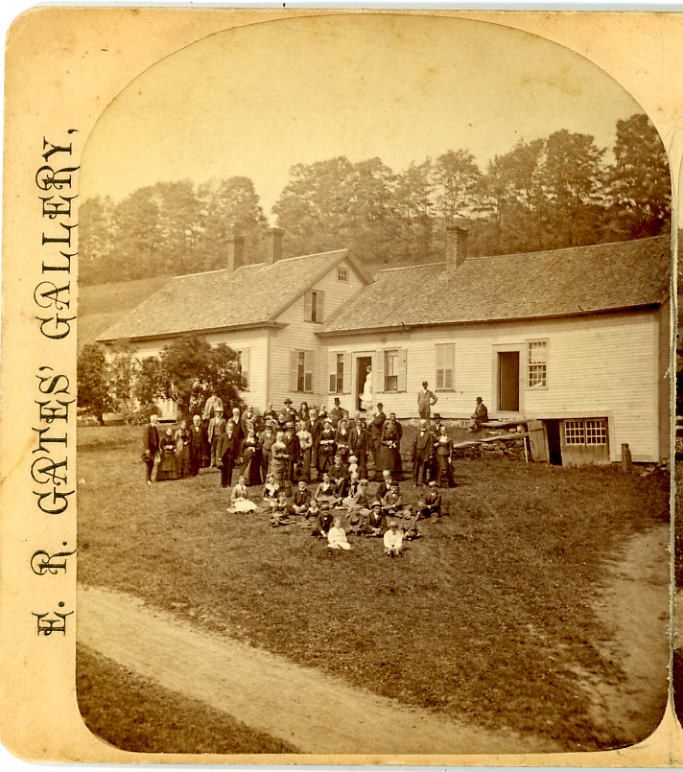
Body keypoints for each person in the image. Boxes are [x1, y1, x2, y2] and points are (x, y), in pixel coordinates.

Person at [217, 420, 239, 488]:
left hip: (231, 455)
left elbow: (236, 447)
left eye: (231, 427)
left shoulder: (234, 436)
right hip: (224, 455)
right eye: (229, 427)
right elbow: (219, 446)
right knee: (224, 470)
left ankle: (229, 484)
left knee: (230, 470)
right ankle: (223, 484)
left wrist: (236, 457)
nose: (230, 428)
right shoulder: (223, 435)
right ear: (226, 428)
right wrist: (219, 456)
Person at [412, 419, 434, 486]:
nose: (422, 425)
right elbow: (414, 444)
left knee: (424, 467)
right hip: (417, 452)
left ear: (426, 425)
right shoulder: (416, 433)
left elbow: (431, 444)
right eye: (421, 424)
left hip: (425, 452)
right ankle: (414, 482)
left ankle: (423, 482)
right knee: (416, 468)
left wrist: (430, 454)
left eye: (424, 424)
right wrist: (413, 453)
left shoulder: (429, 434)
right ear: (419, 425)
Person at [141, 413, 160, 484]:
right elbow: (145, 439)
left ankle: (149, 479)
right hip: (148, 450)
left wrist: (157, 449)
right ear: (152, 420)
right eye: (155, 420)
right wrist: (147, 449)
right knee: (149, 464)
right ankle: (147, 479)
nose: (156, 421)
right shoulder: (148, 427)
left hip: (153, 449)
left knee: (151, 464)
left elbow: (156, 439)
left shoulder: (154, 427)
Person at [369, 403, 386, 479]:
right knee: (373, 451)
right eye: (378, 407)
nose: (379, 408)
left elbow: (377, 423)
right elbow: (370, 425)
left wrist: (372, 419)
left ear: (382, 408)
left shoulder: (382, 415)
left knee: (378, 451)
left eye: (380, 407)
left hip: (378, 436)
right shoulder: (376, 414)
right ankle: (376, 466)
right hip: (372, 435)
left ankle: (379, 472)